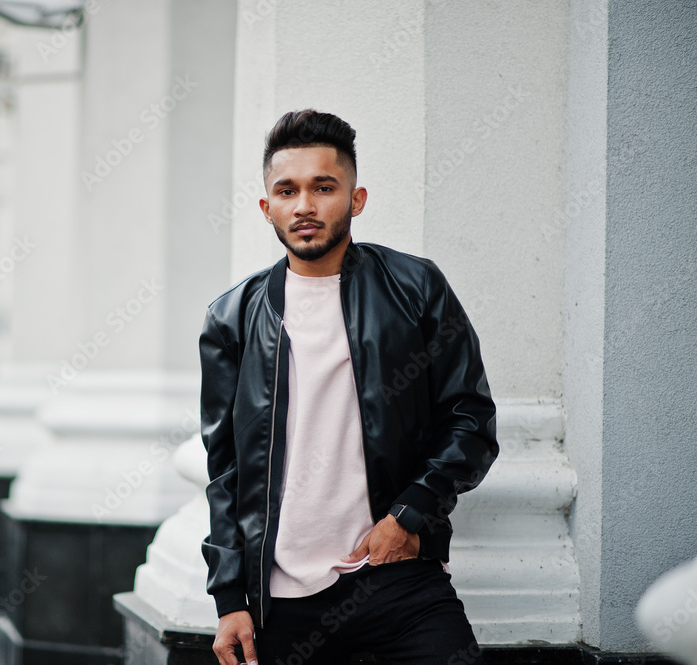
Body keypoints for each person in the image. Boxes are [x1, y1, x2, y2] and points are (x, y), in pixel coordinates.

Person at [199, 109, 498, 665]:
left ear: (356, 199)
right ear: (267, 208)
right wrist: (228, 597)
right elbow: (226, 469)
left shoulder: (415, 287)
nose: (305, 206)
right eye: (287, 191)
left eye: (324, 187)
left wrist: (410, 514)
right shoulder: (231, 320)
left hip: (398, 574)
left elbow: (470, 418)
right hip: (281, 601)